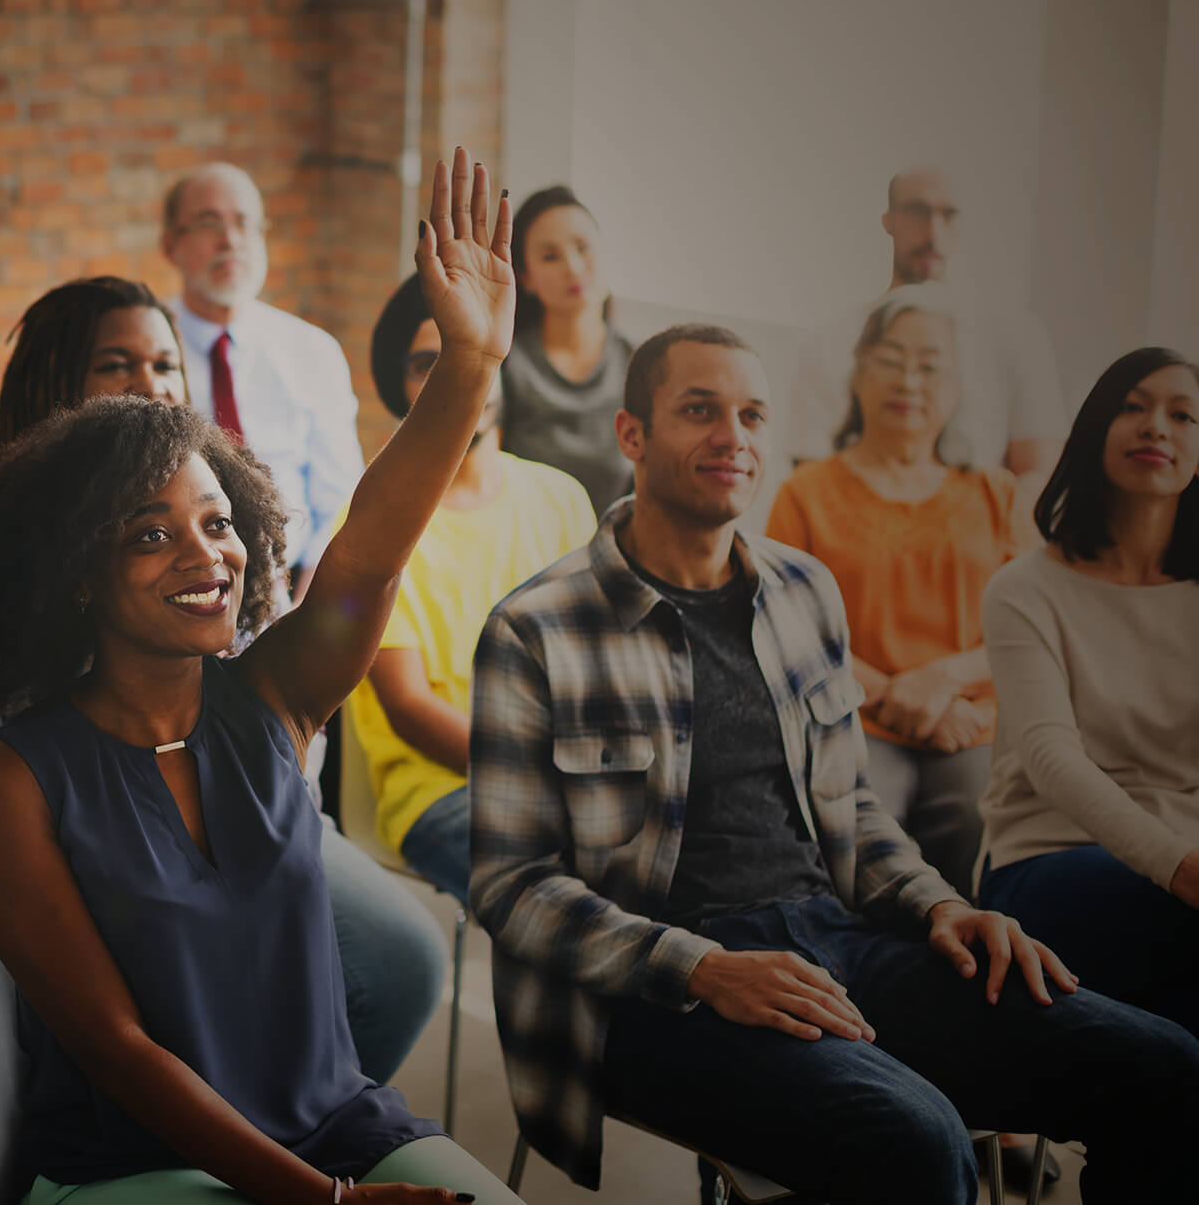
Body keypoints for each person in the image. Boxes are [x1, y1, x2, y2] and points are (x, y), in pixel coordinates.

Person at [469, 323, 1199, 1201]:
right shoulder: (535, 626)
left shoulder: (803, 590)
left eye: (751, 414)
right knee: (919, 1141)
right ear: (632, 435)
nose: (731, 436)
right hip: (655, 990)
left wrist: (940, 903)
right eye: (699, 410)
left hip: (838, 936)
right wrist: (702, 964)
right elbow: (511, 887)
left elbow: (851, 805)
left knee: (1166, 1065)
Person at [0, 151, 523, 1202]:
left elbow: (367, 556)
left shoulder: (270, 698)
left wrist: (469, 363)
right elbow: (118, 1054)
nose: (205, 555)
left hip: (339, 1124)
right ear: (78, 572)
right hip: (134, 1167)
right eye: (151, 534)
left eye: (218, 525)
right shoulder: (10, 783)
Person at [0, 276, 447, 1085]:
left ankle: (278, 1123)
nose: (151, 384)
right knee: (167, 1002)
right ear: (51, 391)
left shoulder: (211, 532)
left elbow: (290, 691)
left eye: (165, 364)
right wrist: (149, 855)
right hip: (36, 847)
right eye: (118, 365)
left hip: (222, 823)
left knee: (398, 963)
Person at [344, 273, 596, 902]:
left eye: (465, 356)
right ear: (399, 385)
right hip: (442, 792)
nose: (452, 378)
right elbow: (409, 709)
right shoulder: (376, 526)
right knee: (581, 895)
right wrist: (546, 776)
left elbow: (602, 658)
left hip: (573, 778)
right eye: (427, 362)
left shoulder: (561, 498)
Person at [766, 290, 1021, 895]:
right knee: (860, 835)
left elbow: (1029, 630)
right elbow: (783, 628)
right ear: (858, 371)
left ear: (956, 386)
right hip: (851, 718)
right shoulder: (806, 492)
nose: (910, 379)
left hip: (971, 723)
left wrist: (942, 684)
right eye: (891, 358)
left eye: (930, 365)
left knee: (979, 824)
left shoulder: (996, 493)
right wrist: (898, 694)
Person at [977, 347, 1199, 1036]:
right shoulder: (1025, 589)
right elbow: (1052, 759)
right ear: (1093, 430)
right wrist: (1183, 869)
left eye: (1182, 413)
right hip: (1047, 863)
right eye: (1132, 406)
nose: (1156, 426)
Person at [785, 168, 1063, 482]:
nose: (933, 233)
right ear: (888, 221)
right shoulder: (830, 343)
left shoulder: (1019, 337)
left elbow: (1038, 483)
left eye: (949, 215)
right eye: (917, 212)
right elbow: (809, 492)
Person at [160, 161, 364, 576]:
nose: (230, 240)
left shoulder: (313, 351)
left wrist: (310, 603)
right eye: (207, 223)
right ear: (170, 246)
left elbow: (343, 502)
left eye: (244, 223)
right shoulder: (147, 349)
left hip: (292, 588)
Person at [496, 185, 634, 515]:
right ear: (525, 278)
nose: (572, 267)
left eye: (583, 248)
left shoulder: (640, 366)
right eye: (550, 256)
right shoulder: (506, 364)